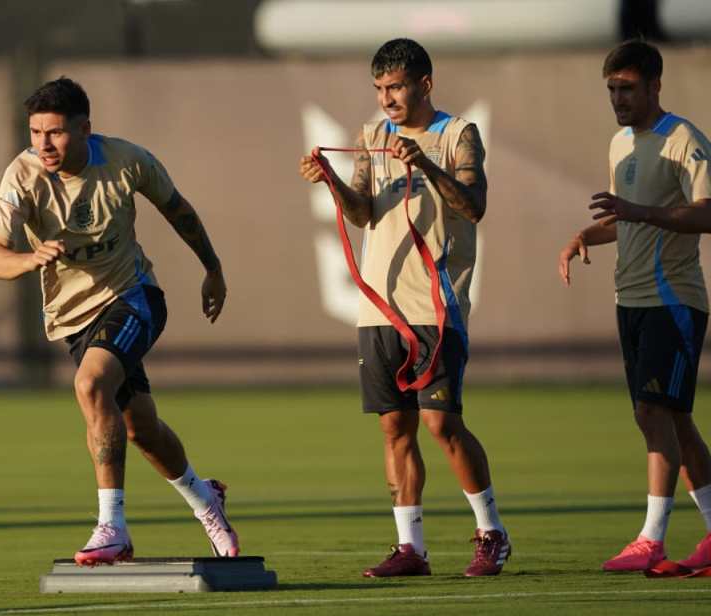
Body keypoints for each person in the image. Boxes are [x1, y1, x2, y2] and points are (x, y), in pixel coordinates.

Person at [0, 77, 239, 565]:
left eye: (54, 132)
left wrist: (213, 268)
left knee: (90, 384)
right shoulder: (22, 174)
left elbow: (177, 209)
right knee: (141, 429)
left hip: (134, 297)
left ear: (84, 129)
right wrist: (28, 258)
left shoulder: (126, 160)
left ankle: (112, 528)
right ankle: (206, 500)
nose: (43, 144)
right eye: (35, 132)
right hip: (74, 319)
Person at [298, 38, 511, 577]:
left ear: (425, 84)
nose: (387, 98)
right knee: (395, 427)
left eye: (395, 87)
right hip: (379, 308)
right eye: (379, 89)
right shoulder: (372, 134)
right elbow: (363, 213)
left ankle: (492, 534)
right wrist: (331, 182)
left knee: (442, 425)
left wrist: (427, 168)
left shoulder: (458, 134)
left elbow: (474, 205)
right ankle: (410, 548)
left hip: (436, 305)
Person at [559, 40, 711, 573]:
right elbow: (623, 218)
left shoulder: (684, 140)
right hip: (631, 299)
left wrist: (638, 211)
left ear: (655, 87)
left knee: (653, 413)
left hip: (674, 300)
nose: (618, 99)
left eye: (627, 89)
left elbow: (707, 214)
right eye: (611, 90)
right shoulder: (620, 144)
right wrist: (585, 234)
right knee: (675, 419)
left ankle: (652, 538)